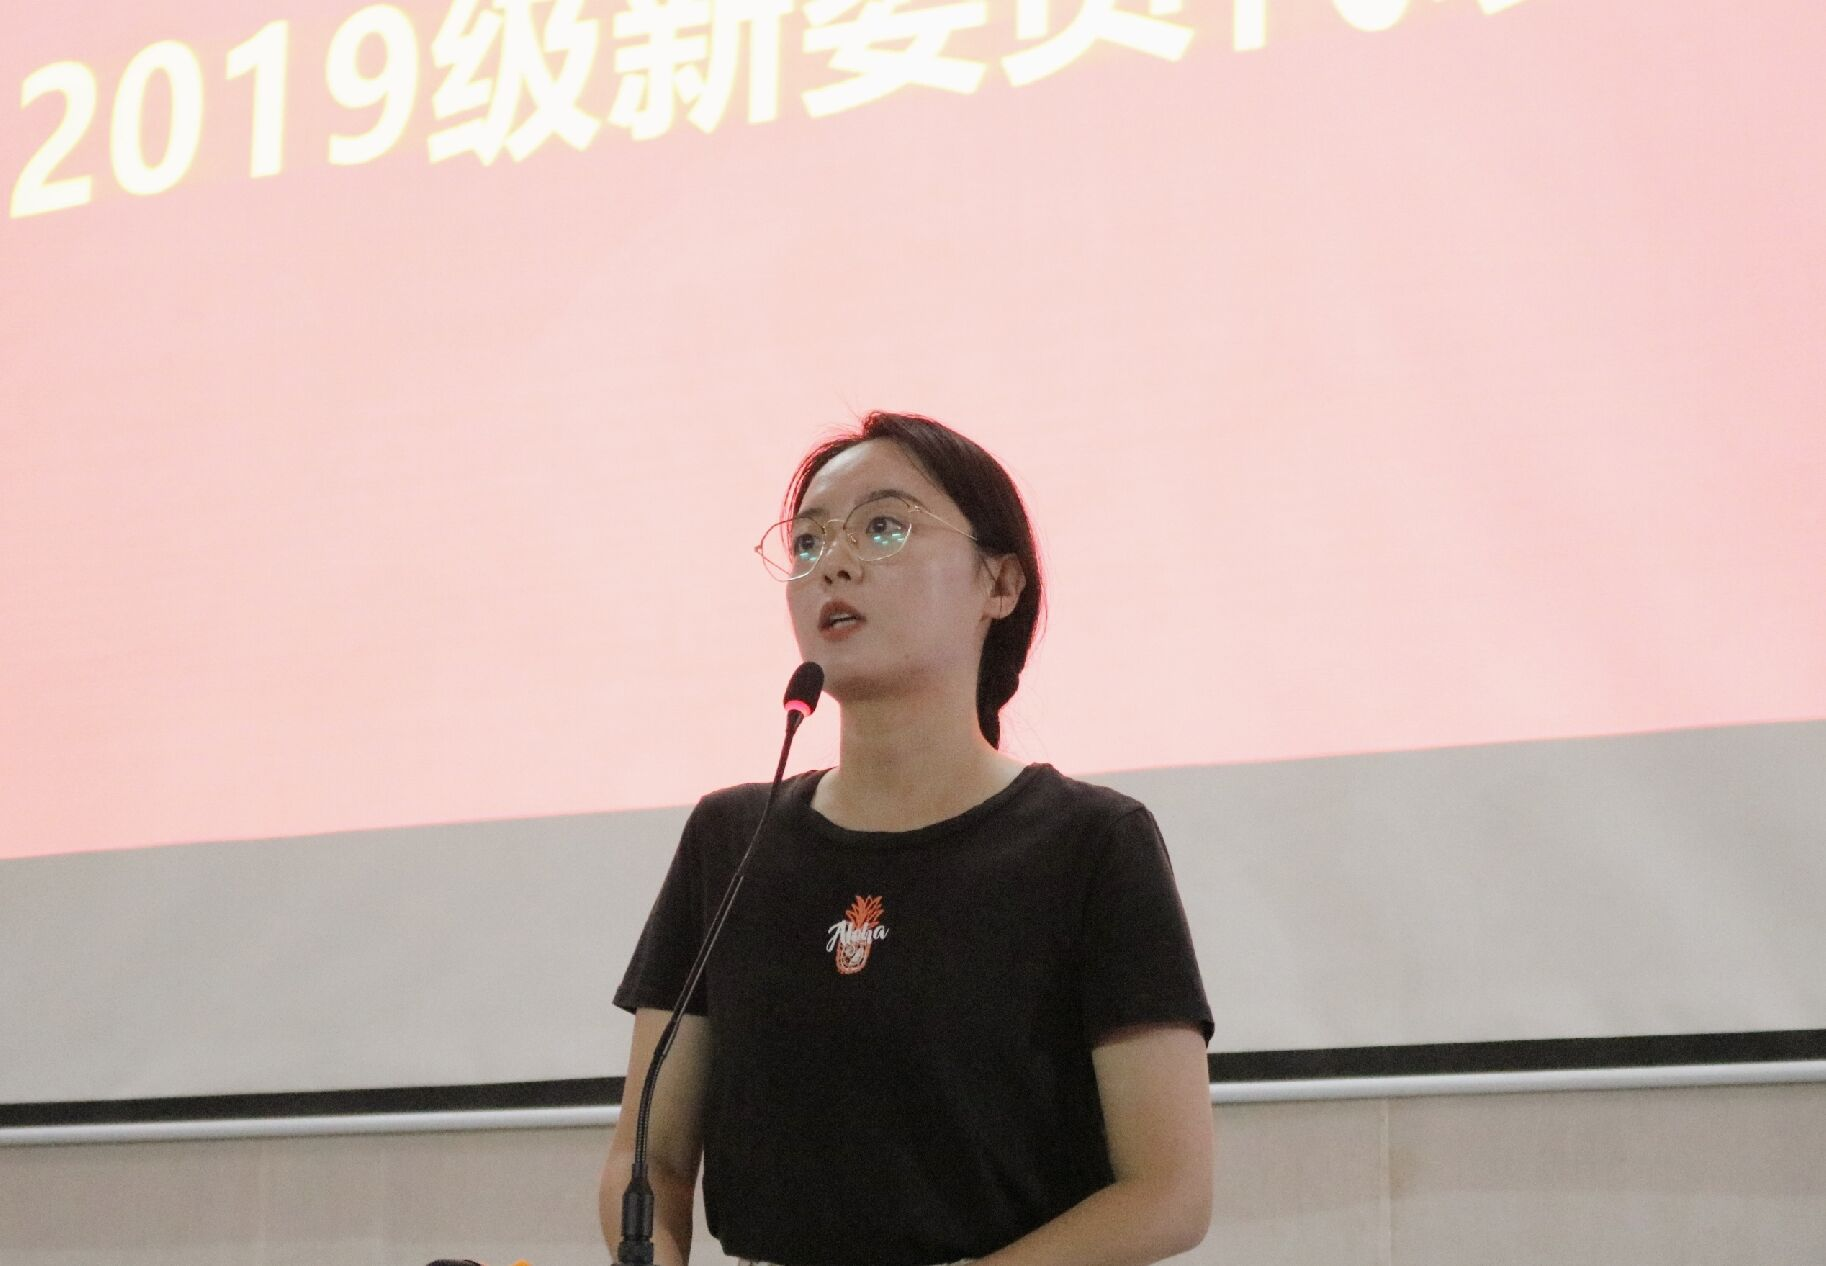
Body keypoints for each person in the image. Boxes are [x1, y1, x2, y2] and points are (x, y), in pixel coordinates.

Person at [599, 411, 1215, 1266]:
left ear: (1001, 584)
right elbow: (649, 1163)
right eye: (808, 542)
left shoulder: (1092, 844)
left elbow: (1168, 1192)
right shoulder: (729, 839)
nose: (834, 563)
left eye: (883, 527)